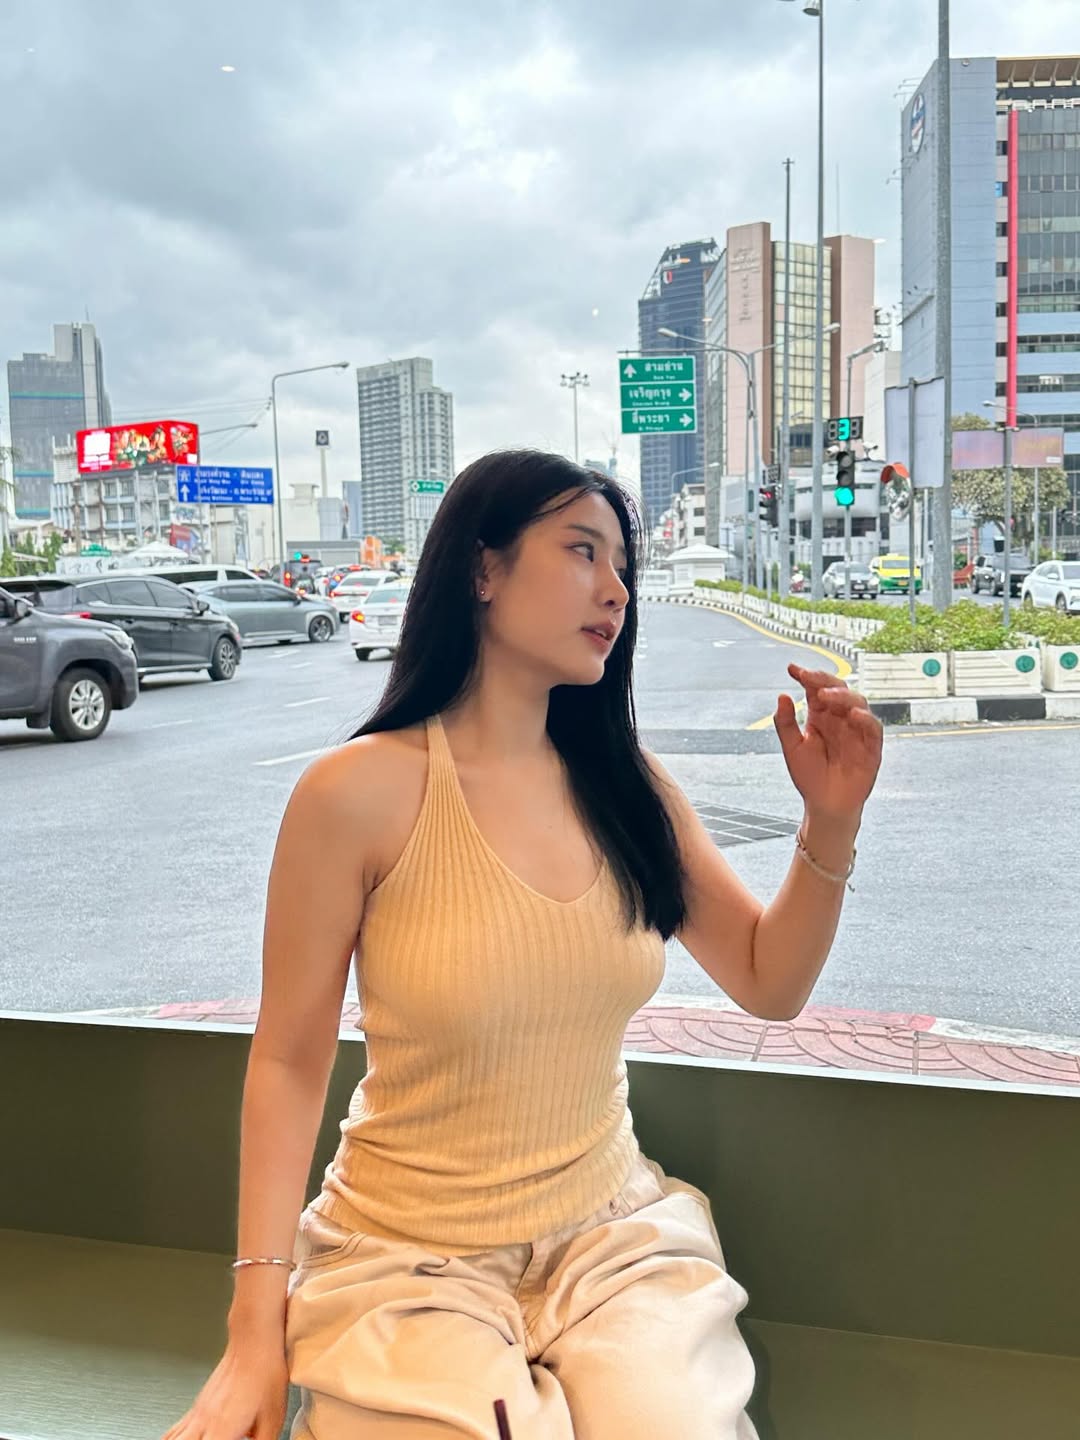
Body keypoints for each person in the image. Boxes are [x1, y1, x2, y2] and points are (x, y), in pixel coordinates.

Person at [163, 450, 882, 1440]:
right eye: (582, 551)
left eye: (622, 565)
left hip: (612, 1245)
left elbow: (769, 982)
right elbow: (288, 1061)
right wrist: (254, 1336)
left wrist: (832, 821)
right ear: (482, 569)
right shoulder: (354, 794)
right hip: (405, 1256)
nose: (615, 590)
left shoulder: (631, 788)